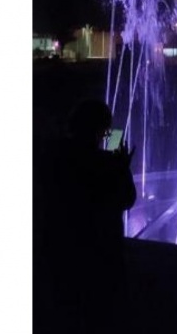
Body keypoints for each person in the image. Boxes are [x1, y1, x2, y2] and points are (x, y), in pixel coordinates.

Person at [36, 99, 137, 334]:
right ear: (99, 130)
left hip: (59, 252)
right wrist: (122, 168)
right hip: (99, 256)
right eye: (105, 130)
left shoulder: (51, 154)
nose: (106, 135)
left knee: (65, 313)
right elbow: (127, 199)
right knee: (97, 315)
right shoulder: (103, 163)